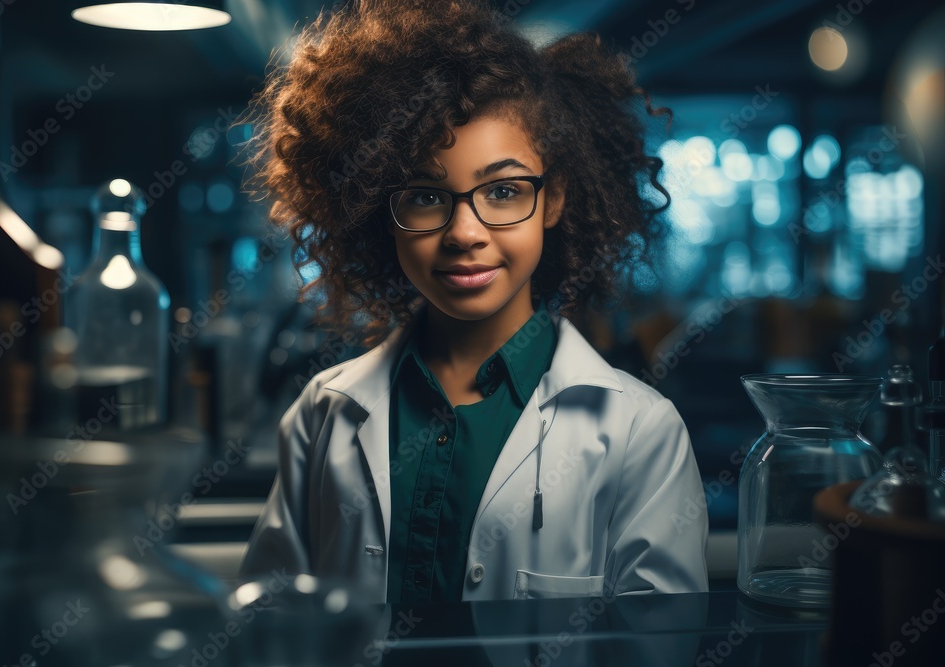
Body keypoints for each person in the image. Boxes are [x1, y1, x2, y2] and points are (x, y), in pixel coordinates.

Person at [240, 0, 708, 604]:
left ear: (554, 199)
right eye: (426, 196)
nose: (465, 233)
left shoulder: (641, 432)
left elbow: (655, 650)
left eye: (505, 190)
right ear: (382, 213)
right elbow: (272, 624)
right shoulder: (320, 416)